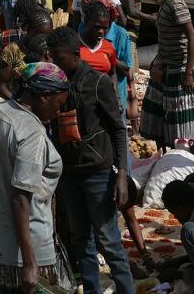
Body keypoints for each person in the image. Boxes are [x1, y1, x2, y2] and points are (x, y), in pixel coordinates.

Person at [0, 62, 70, 294]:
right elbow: (20, 198)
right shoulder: (32, 133)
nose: (60, 111)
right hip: (19, 248)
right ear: (44, 97)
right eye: (59, 103)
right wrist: (30, 262)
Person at [47, 27, 133, 294]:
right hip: (70, 173)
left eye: (59, 59)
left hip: (97, 173)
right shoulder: (56, 83)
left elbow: (118, 129)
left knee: (109, 242)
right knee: (81, 240)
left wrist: (121, 175)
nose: (55, 65)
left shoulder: (99, 83)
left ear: (75, 55)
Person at [139, 0, 194, 148]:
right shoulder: (167, 2)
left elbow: (192, 37)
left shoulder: (176, 3)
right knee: (156, 113)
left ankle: (178, 152)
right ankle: (162, 151)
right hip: (165, 66)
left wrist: (188, 72)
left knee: (178, 120)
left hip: (179, 69)